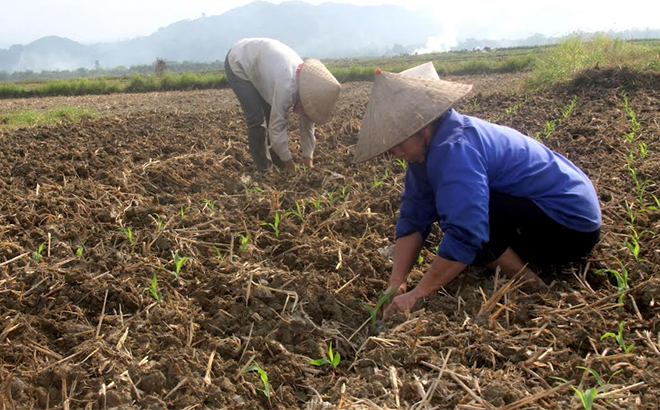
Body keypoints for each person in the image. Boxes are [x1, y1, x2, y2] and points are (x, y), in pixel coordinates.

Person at [353, 64, 602, 319]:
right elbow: (414, 214)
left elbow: (466, 233)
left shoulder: (455, 149)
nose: (397, 154)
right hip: (557, 212)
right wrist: (397, 281)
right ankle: (513, 261)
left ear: (423, 128)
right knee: (459, 213)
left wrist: (418, 295)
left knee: (469, 226)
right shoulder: (428, 150)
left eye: (400, 143)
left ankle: (530, 284)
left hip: (570, 227)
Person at [225, 38, 341, 172]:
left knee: (270, 115)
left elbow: (307, 125)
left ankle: (278, 159)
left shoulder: (307, 86)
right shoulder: (287, 87)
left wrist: (308, 161)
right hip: (240, 61)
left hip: (264, 67)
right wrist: (291, 167)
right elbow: (277, 127)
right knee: (257, 121)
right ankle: (264, 169)